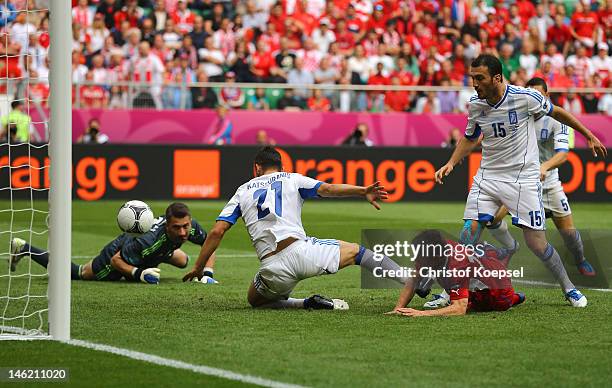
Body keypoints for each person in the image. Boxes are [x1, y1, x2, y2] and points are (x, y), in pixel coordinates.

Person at [433, 54, 606, 308]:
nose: (475, 84)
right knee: (468, 235)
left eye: (480, 78)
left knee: (537, 244)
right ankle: (452, 292)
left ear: (497, 77)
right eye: (472, 78)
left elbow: (557, 112)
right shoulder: (476, 104)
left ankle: (569, 287)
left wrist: (588, 134)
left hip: (523, 179)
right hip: (487, 177)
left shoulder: (525, 97)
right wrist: (451, 162)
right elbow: (470, 138)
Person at [183, 147, 410, 310]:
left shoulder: (243, 190)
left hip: (272, 269)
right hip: (303, 253)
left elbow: (216, 231)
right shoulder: (292, 178)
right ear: (282, 167)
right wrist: (362, 191)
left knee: (255, 301)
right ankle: (409, 280)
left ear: (256, 168)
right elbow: (328, 189)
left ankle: (304, 304)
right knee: (358, 252)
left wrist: (198, 267)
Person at [10, 203, 217, 284]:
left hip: (153, 250)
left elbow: (210, 243)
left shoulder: (189, 227)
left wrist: (207, 273)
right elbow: (117, 261)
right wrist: (139, 274)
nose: (183, 232)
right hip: (117, 254)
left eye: (186, 227)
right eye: (177, 228)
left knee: (182, 261)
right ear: (167, 226)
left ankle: (156, 259)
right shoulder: (147, 242)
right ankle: (24, 247)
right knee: (79, 273)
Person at [387, 230, 525, 317]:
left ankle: (514, 298)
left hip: (498, 292)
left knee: (497, 302)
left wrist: (421, 313)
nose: (417, 259)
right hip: (488, 269)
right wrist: (398, 309)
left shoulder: (457, 266)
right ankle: (493, 253)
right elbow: (413, 280)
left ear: (435, 256)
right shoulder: (436, 248)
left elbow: (459, 309)